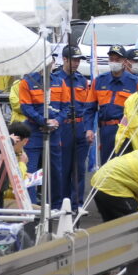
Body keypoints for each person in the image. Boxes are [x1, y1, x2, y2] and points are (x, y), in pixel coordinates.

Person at [17, 51, 62, 206]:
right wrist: (43, 121)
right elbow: (25, 107)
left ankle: (56, 206)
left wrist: (57, 121)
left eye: (52, 60)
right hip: (34, 131)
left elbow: (66, 107)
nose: (50, 63)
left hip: (54, 132)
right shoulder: (27, 82)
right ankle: (30, 207)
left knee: (56, 170)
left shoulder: (59, 81)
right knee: (31, 170)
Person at [54, 45, 93, 210]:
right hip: (63, 127)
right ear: (64, 59)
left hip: (80, 125)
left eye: (78, 60)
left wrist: (88, 128)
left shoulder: (82, 80)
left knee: (79, 168)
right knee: (63, 167)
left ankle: (77, 204)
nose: (76, 63)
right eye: (73, 60)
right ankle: (63, 204)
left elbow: (87, 106)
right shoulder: (56, 79)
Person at [90, 45, 138, 167]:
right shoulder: (99, 81)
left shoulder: (135, 83)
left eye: (117, 60)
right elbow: (89, 108)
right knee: (106, 167)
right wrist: (89, 129)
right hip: (106, 131)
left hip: (126, 131)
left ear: (124, 61)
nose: (114, 62)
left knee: (124, 167)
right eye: (111, 59)